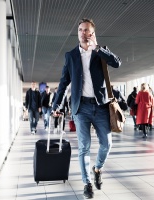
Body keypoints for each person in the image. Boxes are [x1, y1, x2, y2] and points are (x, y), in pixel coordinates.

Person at [52, 18, 121, 199]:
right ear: (78, 32)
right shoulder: (71, 55)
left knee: (107, 144)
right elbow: (63, 82)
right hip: (81, 107)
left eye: (87, 30)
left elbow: (117, 63)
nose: (83, 33)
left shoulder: (100, 52)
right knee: (84, 147)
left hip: (100, 106)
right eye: (81, 30)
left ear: (93, 33)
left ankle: (97, 168)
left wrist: (98, 48)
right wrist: (56, 104)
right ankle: (87, 183)